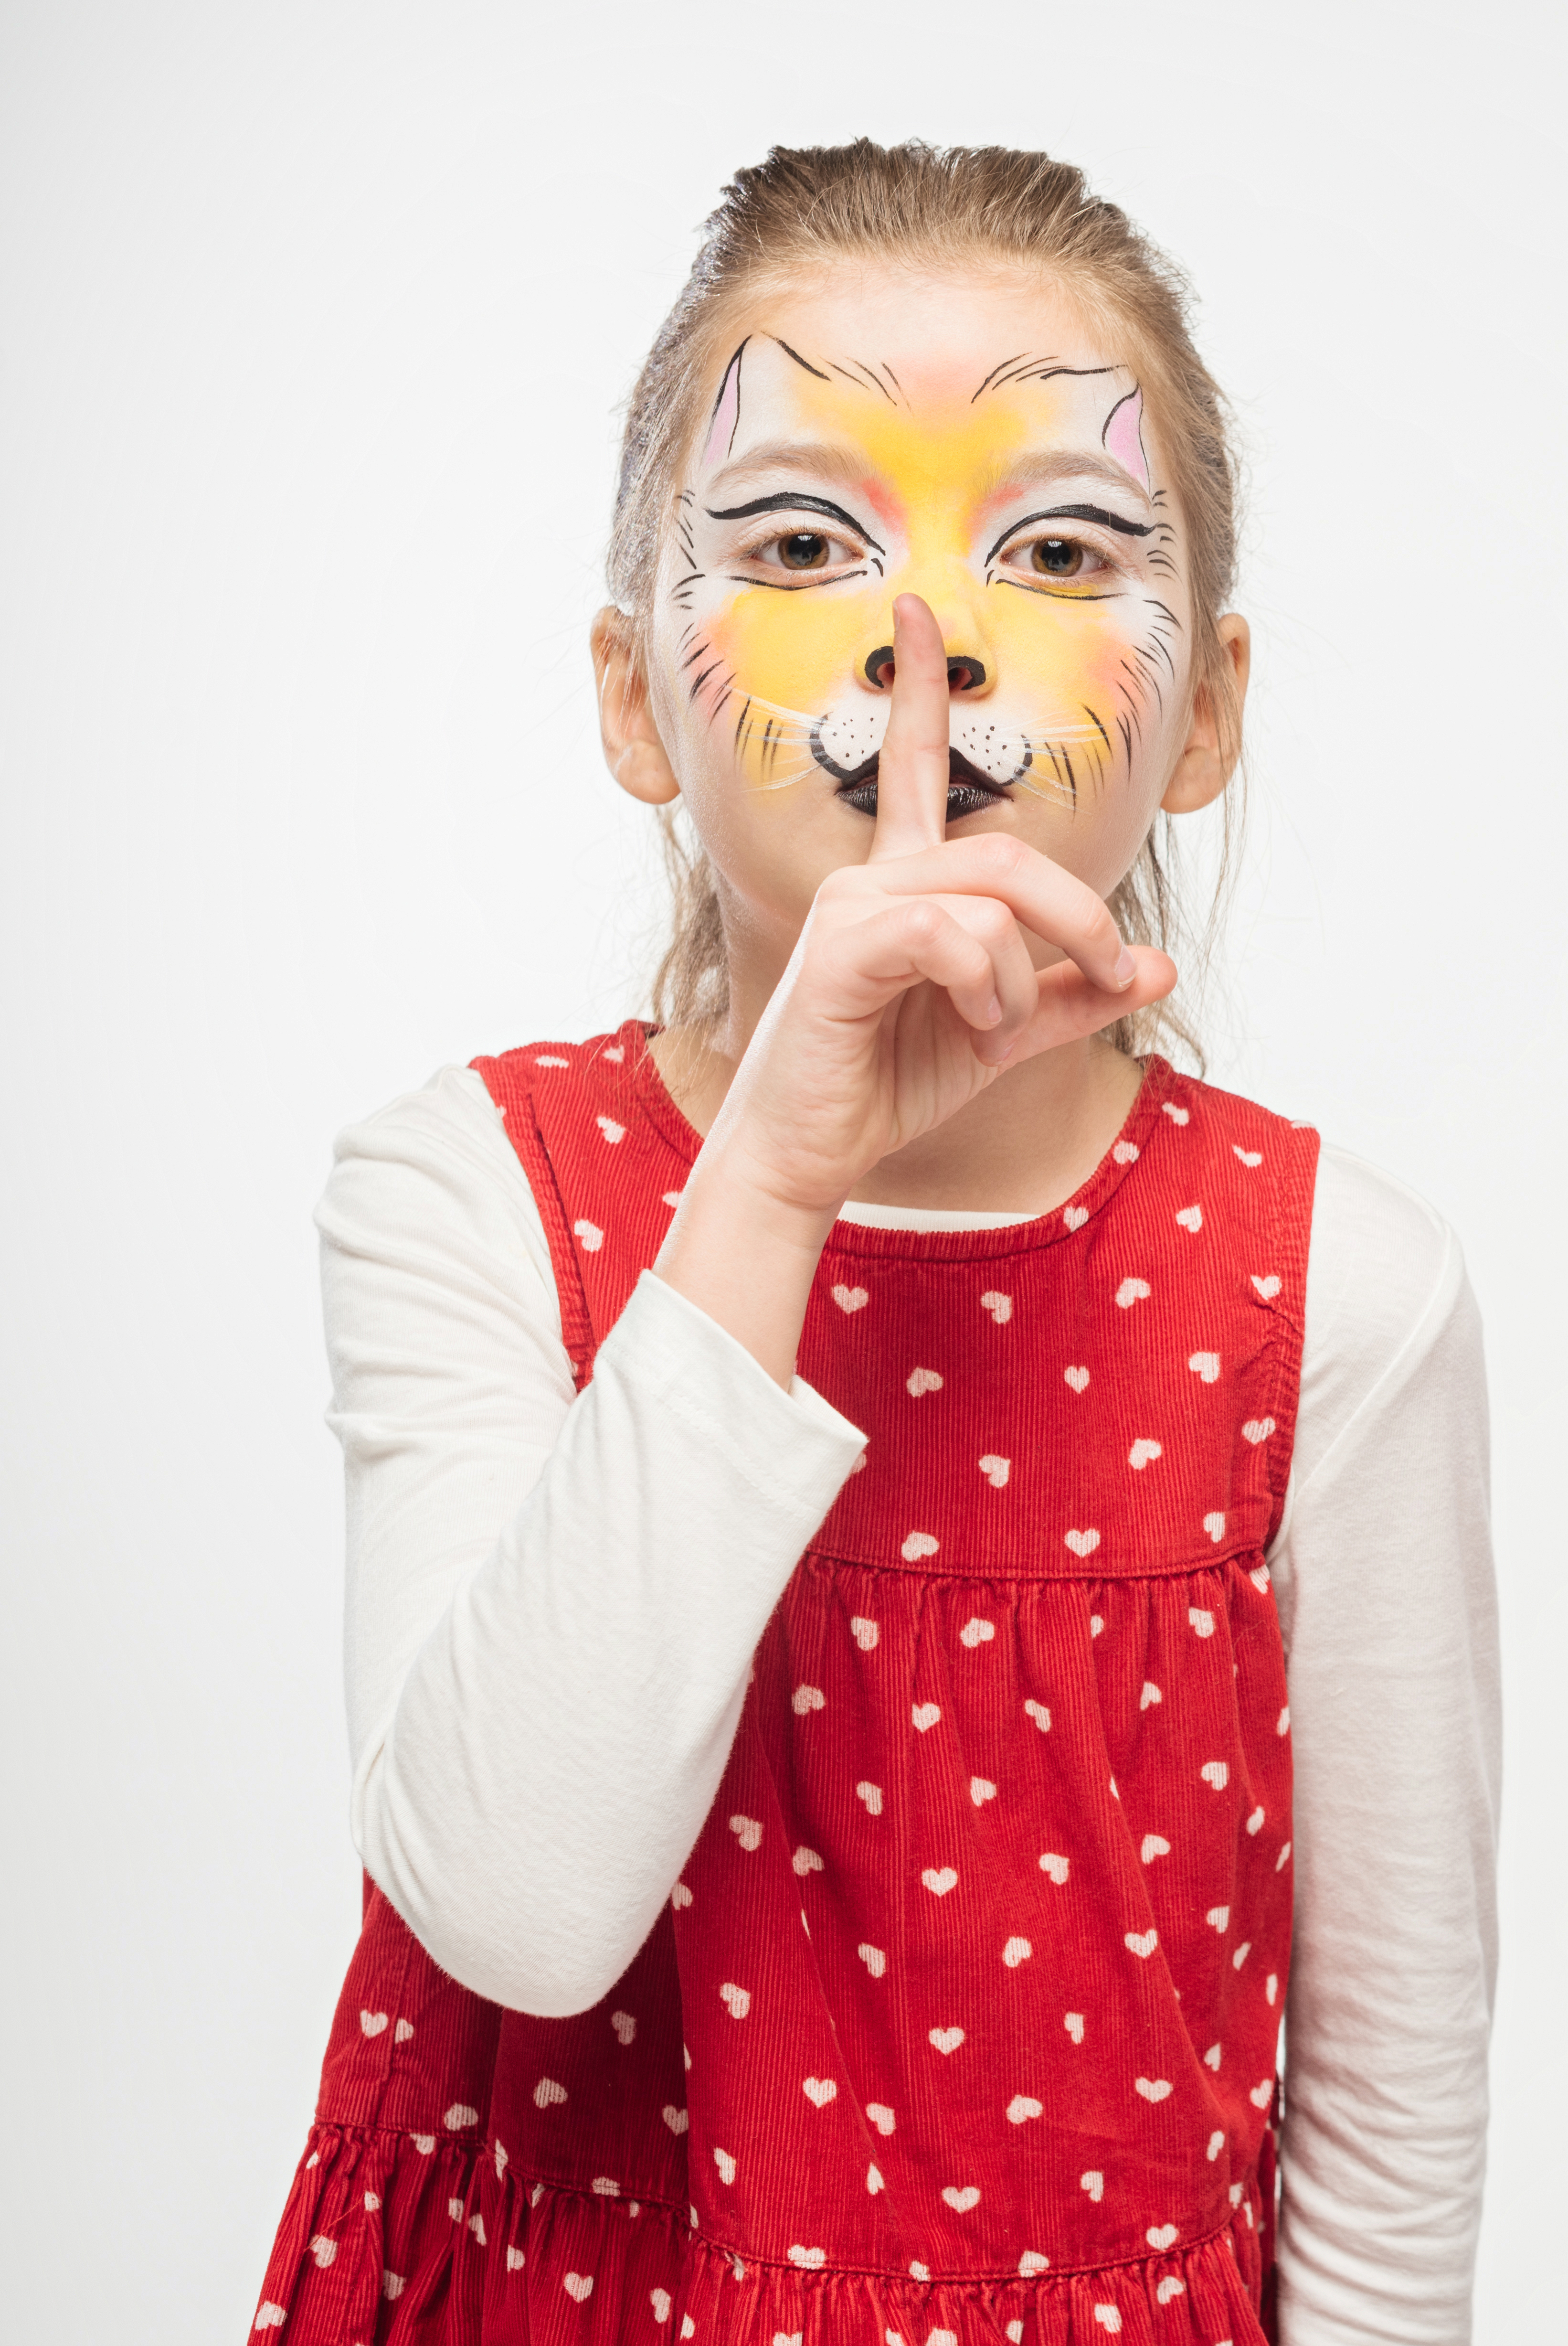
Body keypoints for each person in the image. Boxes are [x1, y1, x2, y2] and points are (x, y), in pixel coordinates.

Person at [251, 142, 1498, 2346]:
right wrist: (779, 1167)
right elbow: (519, 1908)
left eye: (1060, 544)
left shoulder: (1342, 1293)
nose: (928, 631)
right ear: (637, 692)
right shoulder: (460, 1194)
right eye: (807, 539)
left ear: (1201, 709)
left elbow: (1391, 2123)